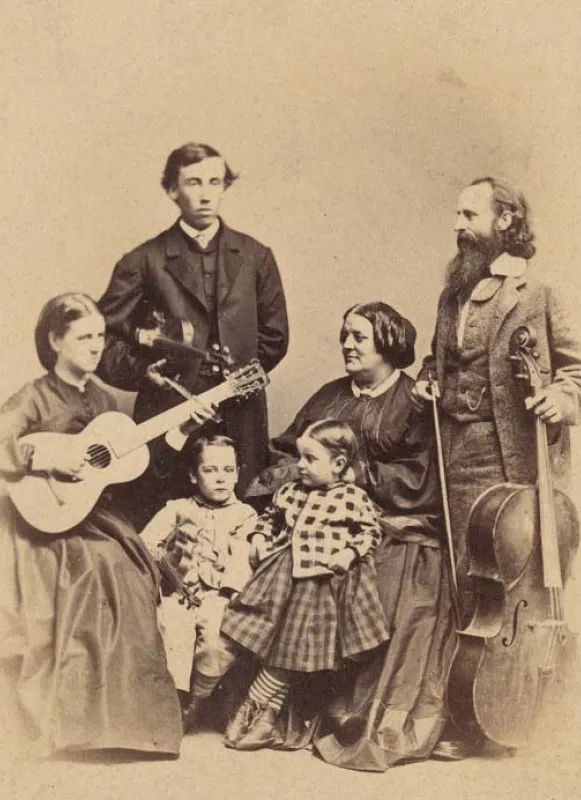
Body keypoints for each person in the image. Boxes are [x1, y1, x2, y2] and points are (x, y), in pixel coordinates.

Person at [230, 302, 455, 770]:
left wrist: (356, 479)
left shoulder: (415, 400)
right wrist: (307, 481)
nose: (347, 345)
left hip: (391, 520)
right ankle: (267, 698)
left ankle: (323, 706)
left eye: (358, 337)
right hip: (316, 511)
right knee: (288, 561)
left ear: (389, 344)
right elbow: (288, 452)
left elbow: (422, 479)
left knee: (379, 569)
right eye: (344, 335)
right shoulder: (330, 395)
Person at [411, 176, 581, 755]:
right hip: (454, 453)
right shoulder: (451, 293)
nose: (458, 225)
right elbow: (439, 362)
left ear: (506, 219)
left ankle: (518, 714)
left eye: (469, 214)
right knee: (468, 587)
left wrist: (563, 397)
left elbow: (575, 368)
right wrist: (427, 384)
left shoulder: (540, 290)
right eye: (456, 214)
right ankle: (467, 715)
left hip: (514, 457)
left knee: (515, 587)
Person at [0, 294, 182, 758]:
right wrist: (48, 457)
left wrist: (179, 431)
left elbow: (125, 470)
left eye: (101, 336)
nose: (96, 346)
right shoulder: (32, 395)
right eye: (84, 337)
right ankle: (71, 726)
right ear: (55, 340)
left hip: (92, 513)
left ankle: (124, 727)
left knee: (132, 573)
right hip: (37, 516)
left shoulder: (105, 398)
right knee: (90, 572)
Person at [97, 142, 289, 525]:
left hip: (241, 414)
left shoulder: (256, 256)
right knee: (163, 524)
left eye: (215, 182)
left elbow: (275, 336)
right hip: (169, 416)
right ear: (172, 190)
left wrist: (234, 384)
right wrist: (141, 372)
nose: (205, 194)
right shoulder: (143, 261)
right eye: (194, 182)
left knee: (244, 526)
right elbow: (99, 341)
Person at [221, 419, 389, 751]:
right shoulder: (290, 491)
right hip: (280, 579)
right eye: (300, 457)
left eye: (311, 459)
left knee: (290, 649)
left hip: (320, 583)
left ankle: (254, 709)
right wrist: (259, 536)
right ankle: (264, 718)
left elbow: (370, 532)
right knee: (278, 645)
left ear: (338, 464)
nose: (301, 466)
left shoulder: (352, 498)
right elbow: (269, 516)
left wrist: (348, 552)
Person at [140, 435, 257, 732]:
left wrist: (227, 593)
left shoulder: (245, 515)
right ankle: (175, 701)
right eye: (211, 470)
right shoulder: (176, 509)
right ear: (193, 475)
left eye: (229, 470)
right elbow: (145, 543)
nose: (221, 478)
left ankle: (199, 699)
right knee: (173, 628)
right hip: (178, 589)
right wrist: (163, 559)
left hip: (221, 593)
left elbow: (242, 558)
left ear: (238, 473)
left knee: (217, 637)